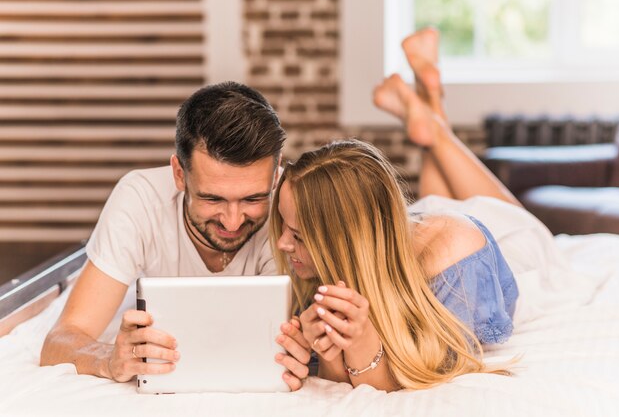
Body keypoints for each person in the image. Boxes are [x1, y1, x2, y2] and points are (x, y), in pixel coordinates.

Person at [269, 29, 526, 392]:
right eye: (284, 226)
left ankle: (432, 120)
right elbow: (348, 383)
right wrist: (327, 351)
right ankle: (427, 100)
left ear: (347, 237)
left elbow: (433, 370)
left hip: (502, 234)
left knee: (506, 210)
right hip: (415, 220)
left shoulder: (458, 262)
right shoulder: (331, 262)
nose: (281, 244)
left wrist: (359, 344)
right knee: (435, 187)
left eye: (297, 235)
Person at [40, 82, 310, 391]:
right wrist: (107, 359)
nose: (233, 222)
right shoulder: (139, 198)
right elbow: (60, 339)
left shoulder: (286, 214)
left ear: (274, 178)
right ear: (179, 174)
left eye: (252, 199)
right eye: (213, 199)